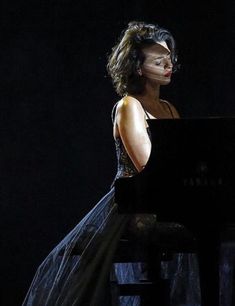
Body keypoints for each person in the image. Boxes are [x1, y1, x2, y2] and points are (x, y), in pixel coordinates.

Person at [22, 21, 202, 306]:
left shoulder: (168, 108)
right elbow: (147, 165)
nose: (168, 63)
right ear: (138, 67)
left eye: (169, 57)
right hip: (134, 204)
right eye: (159, 59)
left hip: (165, 198)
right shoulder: (130, 105)